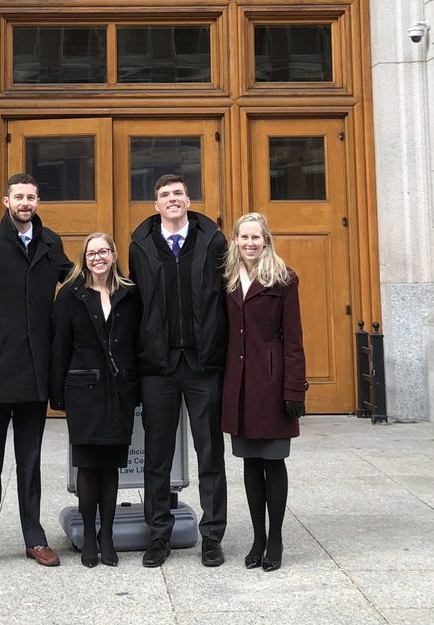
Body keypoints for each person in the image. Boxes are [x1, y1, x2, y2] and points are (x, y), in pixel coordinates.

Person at [0, 173, 72, 571]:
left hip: (36, 371)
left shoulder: (51, 243)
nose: (25, 202)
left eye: (31, 197)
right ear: (6, 201)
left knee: (31, 459)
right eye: (19, 196)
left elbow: (76, 284)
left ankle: (34, 538)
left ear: (38, 201)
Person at [129, 173, 228, 568]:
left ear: (189, 200)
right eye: (164, 195)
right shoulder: (140, 245)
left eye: (178, 194)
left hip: (204, 364)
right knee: (157, 456)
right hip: (158, 366)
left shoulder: (213, 241)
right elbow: (134, 304)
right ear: (156, 205)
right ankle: (158, 536)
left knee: (210, 454)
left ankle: (212, 537)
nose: (172, 200)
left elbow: (226, 297)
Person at [221, 212, 307, 572]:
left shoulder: (283, 279)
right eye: (244, 238)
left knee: (273, 461)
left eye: (256, 238)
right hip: (238, 384)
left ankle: (276, 539)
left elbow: (294, 339)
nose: (250, 244)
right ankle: (258, 537)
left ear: (266, 240)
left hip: (271, 384)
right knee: (250, 463)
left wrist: (294, 390)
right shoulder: (226, 279)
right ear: (236, 241)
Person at [50, 233, 140, 568]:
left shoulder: (129, 293)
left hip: (119, 392)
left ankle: (107, 537)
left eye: (104, 251)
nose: (98, 257)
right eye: (91, 253)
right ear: (83, 258)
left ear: (114, 255)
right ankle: (89, 535)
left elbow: (136, 343)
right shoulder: (70, 295)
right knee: (88, 465)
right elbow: (59, 345)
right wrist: (56, 393)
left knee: (112, 465)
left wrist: (138, 387)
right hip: (83, 391)